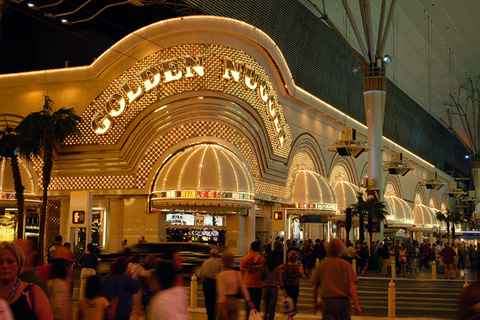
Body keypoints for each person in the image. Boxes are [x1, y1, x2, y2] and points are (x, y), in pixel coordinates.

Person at [0, 242, 54, 320]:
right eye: (0, 262)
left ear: (19, 264)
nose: (5, 266)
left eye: (10, 261)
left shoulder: (33, 292)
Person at [311, 238, 361, 319]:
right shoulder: (346, 265)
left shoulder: (322, 265)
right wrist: (357, 305)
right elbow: (352, 285)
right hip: (343, 302)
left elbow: (315, 286)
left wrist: (315, 302)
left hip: (327, 302)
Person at [217, 252, 255, 320]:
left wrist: (222, 308)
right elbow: (243, 289)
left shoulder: (221, 275)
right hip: (235, 302)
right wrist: (249, 301)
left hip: (226, 302)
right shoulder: (237, 274)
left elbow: (222, 292)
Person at [103, 256, 140, 320]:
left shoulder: (107, 279)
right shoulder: (128, 279)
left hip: (109, 310)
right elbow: (136, 289)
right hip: (124, 311)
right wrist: (131, 277)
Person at [240, 241, 266, 319]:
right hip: (258, 285)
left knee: (248, 306)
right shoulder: (262, 259)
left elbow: (241, 270)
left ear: (250, 248)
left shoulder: (245, 258)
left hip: (247, 284)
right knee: (256, 306)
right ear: (259, 249)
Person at [198, 249, 223, 320]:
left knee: (207, 299)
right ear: (217, 255)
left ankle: (209, 315)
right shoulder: (219, 263)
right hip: (214, 282)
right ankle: (212, 316)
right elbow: (221, 275)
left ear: (210, 254)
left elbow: (202, 275)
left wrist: (204, 283)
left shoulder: (205, 263)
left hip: (207, 282)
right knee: (213, 300)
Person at [127, 254, 152, 320]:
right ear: (139, 260)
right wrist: (153, 270)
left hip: (127, 291)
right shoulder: (138, 267)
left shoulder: (129, 265)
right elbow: (146, 274)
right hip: (135, 291)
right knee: (136, 311)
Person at [262, 254, 287, 320]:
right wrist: (284, 291)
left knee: (266, 308)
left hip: (265, 288)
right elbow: (280, 281)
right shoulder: (277, 268)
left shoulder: (264, 267)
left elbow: (255, 267)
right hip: (273, 288)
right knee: (272, 308)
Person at [282, 251, 304, 320]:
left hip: (287, 286)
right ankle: (291, 317)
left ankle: (289, 317)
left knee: (288, 302)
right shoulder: (299, 267)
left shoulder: (285, 266)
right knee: (294, 302)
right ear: (296, 259)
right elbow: (302, 275)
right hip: (295, 286)